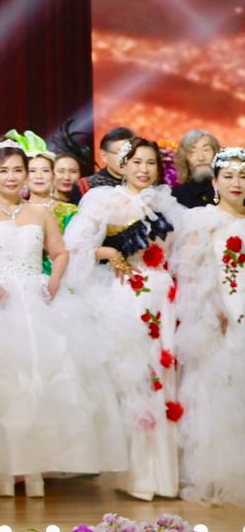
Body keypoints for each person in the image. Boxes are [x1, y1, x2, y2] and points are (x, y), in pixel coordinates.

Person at [0, 142, 124, 497]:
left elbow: (59, 253)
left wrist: (54, 280)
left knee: (42, 383)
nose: (11, 177)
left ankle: (35, 470)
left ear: (26, 174)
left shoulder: (40, 212)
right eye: (4, 171)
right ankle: (4, 469)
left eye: (18, 170)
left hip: (35, 297)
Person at [64, 136, 183, 501]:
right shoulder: (105, 200)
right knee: (133, 379)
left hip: (163, 298)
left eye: (150, 163)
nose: (143, 170)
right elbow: (75, 246)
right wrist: (109, 252)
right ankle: (137, 477)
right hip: (127, 296)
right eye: (136, 162)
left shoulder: (167, 203)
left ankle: (165, 477)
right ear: (122, 165)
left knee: (164, 379)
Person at [171, 147, 245, 505]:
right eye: (228, 176)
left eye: (243, 176)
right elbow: (189, 273)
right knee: (216, 397)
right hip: (217, 317)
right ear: (215, 181)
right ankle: (216, 476)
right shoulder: (201, 221)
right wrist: (212, 308)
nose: (236, 183)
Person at [72, 127, 134, 203]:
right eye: (121, 153)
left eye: (130, 153)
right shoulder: (85, 186)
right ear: (103, 155)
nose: (126, 158)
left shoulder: (142, 184)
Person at [173, 129, 221, 209]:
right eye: (193, 152)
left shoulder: (229, 189)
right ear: (184, 158)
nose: (201, 158)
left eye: (206, 150)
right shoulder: (177, 196)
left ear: (216, 153)